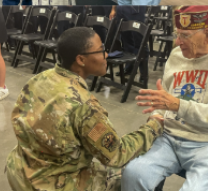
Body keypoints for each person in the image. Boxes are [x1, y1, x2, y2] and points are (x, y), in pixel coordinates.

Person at [6, 27, 163, 191]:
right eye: (101, 50)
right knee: (144, 175)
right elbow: (116, 154)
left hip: (20, 170)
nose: (107, 55)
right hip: (51, 184)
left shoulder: (40, 78)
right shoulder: (83, 105)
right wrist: (153, 126)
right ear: (81, 60)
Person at [121, 7, 208, 191]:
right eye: (177, 34)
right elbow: (164, 97)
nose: (178, 42)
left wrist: (177, 105)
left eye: (185, 35)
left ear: (207, 34)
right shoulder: (176, 55)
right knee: (133, 174)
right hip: (170, 137)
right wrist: (157, 116)